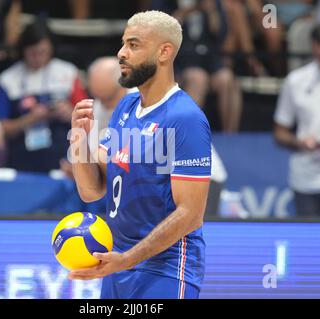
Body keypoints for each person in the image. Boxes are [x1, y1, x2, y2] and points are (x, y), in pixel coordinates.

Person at [69, 11, 211, 299]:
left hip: (166, 269)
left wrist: (130, 258)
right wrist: (80, 141)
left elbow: (191, 215)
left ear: (164, 52)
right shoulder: (126, 106)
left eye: (133, 45)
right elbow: (92, 190)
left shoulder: (185, 118)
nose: (122, 53)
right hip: (119, 264)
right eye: (123, 44)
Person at [0, 21, 87, 173]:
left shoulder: (68, 72)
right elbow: (1, 128)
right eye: (32, 53)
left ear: (51, 49)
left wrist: (69, 112)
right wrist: (31, 119)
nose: (38, 58)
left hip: (63, 155)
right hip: (22, 157)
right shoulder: (8, 79)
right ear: (23, 50)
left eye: (43, 52)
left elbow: (88, 116)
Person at [274, 24, 320, 217]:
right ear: (313, 48)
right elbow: (280, 132)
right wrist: (300, 142)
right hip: (305, 180)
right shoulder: (296, 81)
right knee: (310, 245)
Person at [172, 0, 243, 132]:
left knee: (226, 78)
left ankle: (230, 135)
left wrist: (211, 11)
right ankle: (187, 133)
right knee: (198, 78)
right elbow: (163, 30)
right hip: (182, 58)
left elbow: (219, 33)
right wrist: (187, 12)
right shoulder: (169, 2)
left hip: (210, 58)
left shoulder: (213, 3)